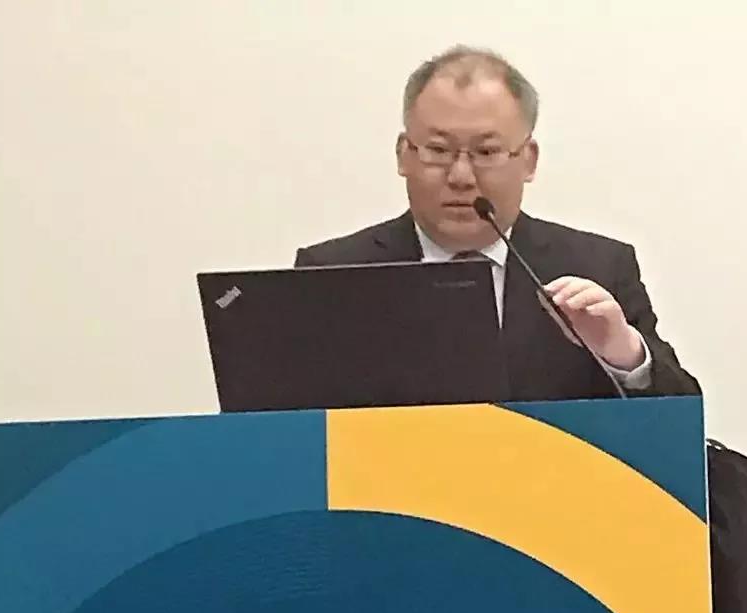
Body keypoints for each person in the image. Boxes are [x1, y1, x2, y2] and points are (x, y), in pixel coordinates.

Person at [294, 46, 699, 400]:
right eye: (438, 150)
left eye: (486, 152)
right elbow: (285, 423)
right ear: (404, 154)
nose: (461, 176)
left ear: (529, 160)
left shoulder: (598, 266)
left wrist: (624, 354)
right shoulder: (330, 274)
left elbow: (681, 421)